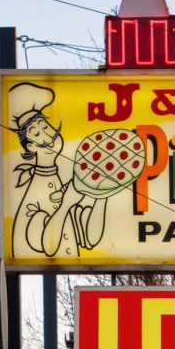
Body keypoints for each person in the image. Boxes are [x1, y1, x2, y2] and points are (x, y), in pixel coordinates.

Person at [8, 82, 110, 261]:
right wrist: (66, 204)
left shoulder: (60, 182)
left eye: (45, 127)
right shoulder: (33, 194)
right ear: (31, 146)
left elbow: (90, 239)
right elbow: (47, 246)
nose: (48, 137)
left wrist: (102, 193)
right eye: (37, 133)